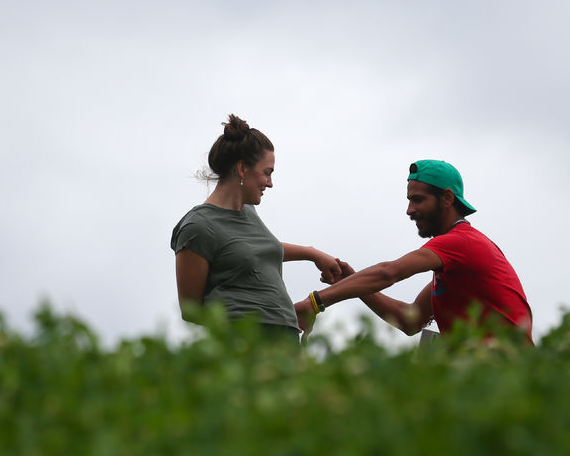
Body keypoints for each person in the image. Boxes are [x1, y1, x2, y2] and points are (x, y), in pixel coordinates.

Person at [295, 159, 532, 343]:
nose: (409, 210)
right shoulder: (454, 268)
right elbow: (411, 319)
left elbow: (389, 273)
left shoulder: (461, 242)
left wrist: (315, 302)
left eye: (418, 200)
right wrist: (352, 280)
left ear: (447, 198)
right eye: (409, 200)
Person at [171, 114, 342, 337]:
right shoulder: (197, 227)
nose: (270, 183)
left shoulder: (248, 211)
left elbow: (256, 248)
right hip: (245, 345)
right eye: (267, 173)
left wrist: (312, 254)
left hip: (285, 341)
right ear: (242, 169)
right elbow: (191, 311)